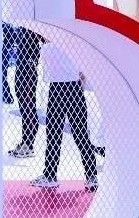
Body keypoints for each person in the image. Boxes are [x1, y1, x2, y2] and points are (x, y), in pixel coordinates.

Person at [31, 42, 98, 192]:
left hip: (57, 89)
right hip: (74, 88)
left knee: (54, 134)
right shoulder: (73, 44)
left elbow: (47, 72)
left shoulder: (47, 48)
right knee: (81, 134)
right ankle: (91, 175)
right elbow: (82, 71)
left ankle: (50, 175)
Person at [6, 23, 45, 159]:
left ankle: (29, 145)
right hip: (21, 67)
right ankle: (25, 141)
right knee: (23, 106)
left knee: (28, 106)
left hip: (28, 69)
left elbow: (44, 39)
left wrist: (32, 61)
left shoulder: (36, 25)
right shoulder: (24, 25)